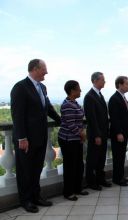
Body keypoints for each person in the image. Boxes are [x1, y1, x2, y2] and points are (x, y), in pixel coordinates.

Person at [10, 59, 61, 213]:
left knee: (36, 169)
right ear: (35, 69)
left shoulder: (42, 87)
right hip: (26, 139)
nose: (46, 72)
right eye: (44, 69)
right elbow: (17, 115)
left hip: (40, 137)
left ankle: (36, 196)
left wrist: (60, 120)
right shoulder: (20, 87)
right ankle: (26, 201)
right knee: (25, 170)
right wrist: (22, 138)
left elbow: (47, 107)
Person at [58, 80, 89, 201]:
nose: (80, 91)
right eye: (78, 89)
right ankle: (68, 192)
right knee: (70, 166)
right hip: (68, 140)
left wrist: (81, 134)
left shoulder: (74, 103)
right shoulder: (67, 105)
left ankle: (77, 188)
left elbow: (79, 121)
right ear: (72, 91)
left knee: (78, 165)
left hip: (76, 139)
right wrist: (82, 135)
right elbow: (71, 125)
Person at [84, 72, 111, 191]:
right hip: (96, 134)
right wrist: (97, 135)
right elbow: (91, 118)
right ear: (95, 81)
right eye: (103, 80)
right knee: (93, 159)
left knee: (101, 158)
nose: (104, 82)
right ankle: (91, 182)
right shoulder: (89, 96)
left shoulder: (99, 95)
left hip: (103, 133)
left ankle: (101, 179)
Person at [108, 76, 128, 186]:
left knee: (122, 156)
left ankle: (121, 176)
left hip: (124, 133)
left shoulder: (122, 97)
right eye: (126, 83)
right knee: (118, 157)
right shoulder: (114, 99)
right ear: (120, 85)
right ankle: (117, 179)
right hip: (119, 134)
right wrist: (119, 133)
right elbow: (115, 118)